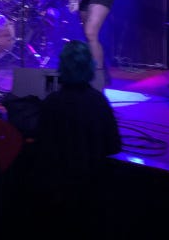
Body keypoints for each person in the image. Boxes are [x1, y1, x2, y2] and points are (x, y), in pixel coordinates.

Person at [28, 39, 121, 237]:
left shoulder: (52, 103)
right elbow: (114, 146)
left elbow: (40, 144)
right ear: (90, 67)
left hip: (54, 196)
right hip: (90, 196)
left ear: (62, 67)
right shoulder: (99, 101)